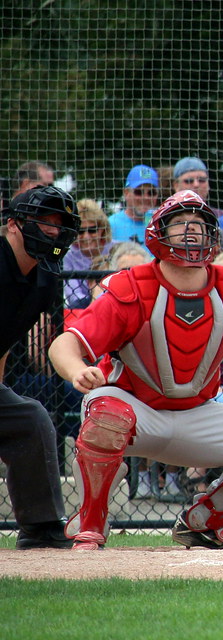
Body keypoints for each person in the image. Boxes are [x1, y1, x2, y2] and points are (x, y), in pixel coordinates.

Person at [48, 189, 223, 550]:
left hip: (197, 414)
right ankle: (91, 523)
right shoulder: (132, 285)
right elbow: (63, 344)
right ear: (157, 232)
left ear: (212, 235)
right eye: (179, 224)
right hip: (134, 410)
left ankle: (205, 522)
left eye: (199, 224)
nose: (191, 232)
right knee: (107, 413)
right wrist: (75, 370)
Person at [0, 186, 79, 549]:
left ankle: (41, 525)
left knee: (30, 419)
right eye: (42, 220)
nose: (51, 229)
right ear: (13, 226)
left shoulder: (46, 279)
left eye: (58, 223)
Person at [63, 198, 113, 310]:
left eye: (92, 230)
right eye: (80, 231)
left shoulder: (115, 249)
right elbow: (74, 296)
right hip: (83, 307)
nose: (86, 236)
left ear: (102, 229)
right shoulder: (68, 256)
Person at [109, 164, 160, 244]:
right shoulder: (111, 225)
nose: (146, 198)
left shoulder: (161, 224)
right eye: (139, 192)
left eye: (151, 192)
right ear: (126, 193)